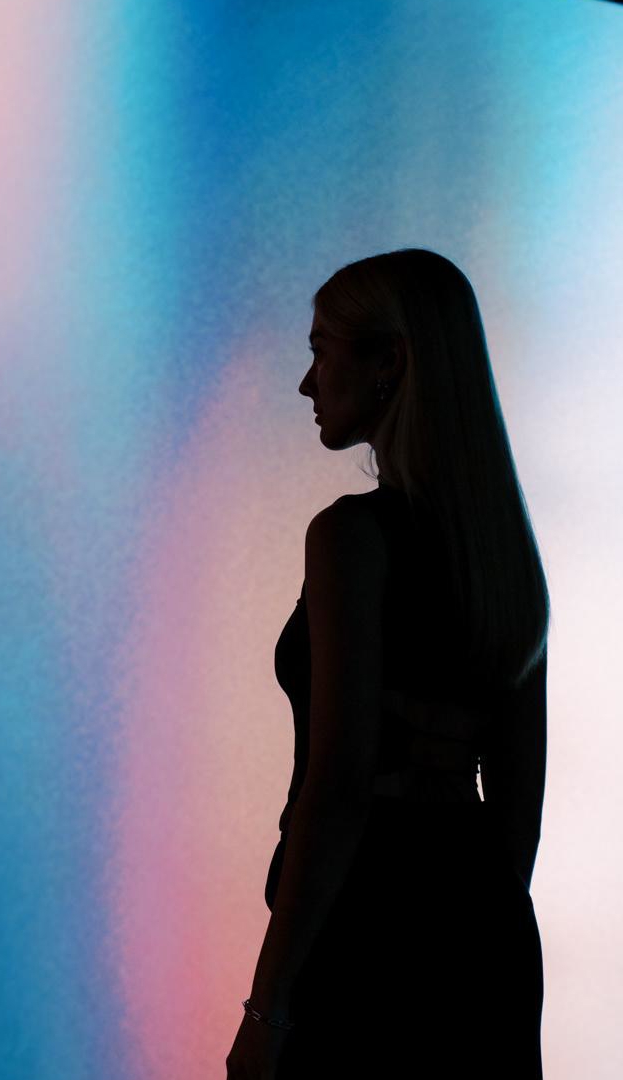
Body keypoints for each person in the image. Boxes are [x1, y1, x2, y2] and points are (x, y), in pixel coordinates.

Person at [225, 249, 548, 1079]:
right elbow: (518, 813)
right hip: (487, 937)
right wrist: (473, 929)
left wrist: (267, 1008)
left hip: (363, 930)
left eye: (322, 349)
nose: (308, 382)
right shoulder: (505, 558)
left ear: (388, 363)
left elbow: (338, 784)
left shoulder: (349, 539)